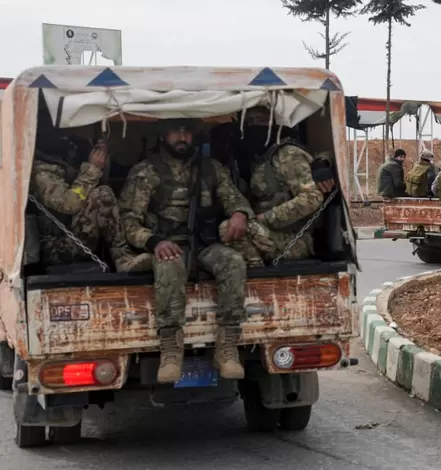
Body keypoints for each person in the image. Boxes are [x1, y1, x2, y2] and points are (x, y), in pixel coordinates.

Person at [119, 118, 253, 383]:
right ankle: (171, 349)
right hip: (168, 245)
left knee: (234, 261)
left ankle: (226, 347)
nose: (182, 137)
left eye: (187, 131)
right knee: (169, 264)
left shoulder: (211, 169)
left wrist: (239, 214)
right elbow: (128, 221)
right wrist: (154, 241)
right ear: (163, 135)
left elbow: (235, 198)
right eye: (175, 131)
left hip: (203, 244)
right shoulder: (146, 172)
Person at [29, 123, 151, 273]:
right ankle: (121, 257)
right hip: (56, 250)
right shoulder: (40, 175)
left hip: (74, 238)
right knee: (102, 194)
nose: (68, 141)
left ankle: (122, 257)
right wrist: (93, 168)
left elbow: (93, 192)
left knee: (102, 193)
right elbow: (70, 204)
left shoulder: (61, 165)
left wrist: (101, 162)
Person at [223, 108, 332, 266]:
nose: (255, 127)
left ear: (274, 123)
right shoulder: (257, 158)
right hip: (270, 234)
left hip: (296, 240)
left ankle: (257, 274)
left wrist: (267, 218)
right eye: (250, 123)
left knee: (228, 228)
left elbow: (312, 198)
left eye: (261, 121)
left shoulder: (287, 154)